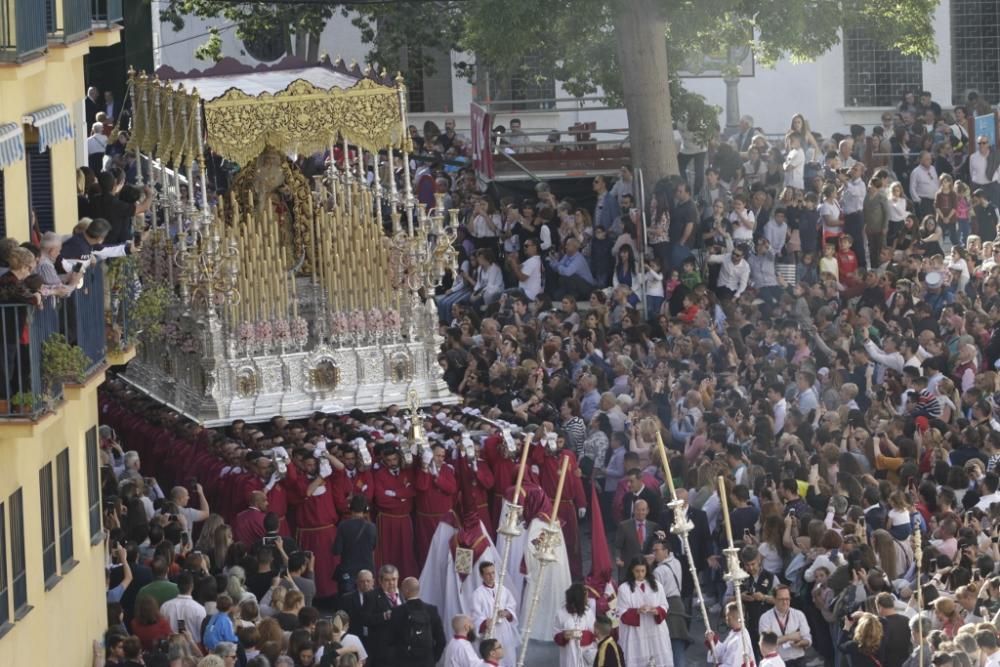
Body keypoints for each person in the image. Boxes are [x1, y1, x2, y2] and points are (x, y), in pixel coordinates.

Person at [617, 557, 672, 667]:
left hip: (655, 631)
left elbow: (664, 605)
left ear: (647, 570)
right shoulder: (623, 588)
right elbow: (621, 612)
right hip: (635, 632)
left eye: (643, 571)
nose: (640, 574)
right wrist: (637, 611)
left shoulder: (657, 586)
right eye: (637, 571)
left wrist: (656, 610)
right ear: (632, 570)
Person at [372, 447, 418, 579]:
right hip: (386, 520)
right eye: (389, 460)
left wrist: (395, 494)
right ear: (384, 461)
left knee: (406, 552)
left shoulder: (407, 472)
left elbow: (413, 492)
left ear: (399, 458)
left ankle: (407, 581)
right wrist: (403, 497)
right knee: (387, 553)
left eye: (394, 459)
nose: (392, 462)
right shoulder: (380, 475)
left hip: (404, 518)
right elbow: (381, 500)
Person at [388, 577, 446, 667]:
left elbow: (391, 640)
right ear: (418, 590)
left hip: (404, 662)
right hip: (427, 661)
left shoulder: (397, 612)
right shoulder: (431, 610)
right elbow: (441, 640)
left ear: (405, 591)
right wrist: (433, 659)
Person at [470, 562, 519, 667]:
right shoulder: (477, 594)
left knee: (509, 658)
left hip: (505, 631)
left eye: (493, 573)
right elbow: (475, 616)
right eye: (488, 574)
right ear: (481, 575)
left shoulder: (503, 589)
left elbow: (512, 605)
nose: (491, 576)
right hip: (491, 633)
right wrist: (484, 622)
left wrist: (507, 612)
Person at [758, 584, 811, 667]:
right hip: (778, 661)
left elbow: (808, 639)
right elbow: (767, 643)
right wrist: (789, 637)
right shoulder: (765, 618)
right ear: (774, 599)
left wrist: (802, 643)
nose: (785, 602)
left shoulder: (799, 615)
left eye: (787, 599)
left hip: (799, 659)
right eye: (781, 599)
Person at [554, 583, 597, 667]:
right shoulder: (561, 613)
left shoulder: (588, 612)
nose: (587, 599)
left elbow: (594, 634)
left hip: (585, 654)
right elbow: (556, 635)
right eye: (585, 597)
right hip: (568, 655)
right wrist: (563, 636)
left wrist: (580, 635)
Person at [160, 571, 208, 643]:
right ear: (192, 586)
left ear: (177, 586)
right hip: (193, 651)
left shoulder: (165, 607)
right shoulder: (200, 609)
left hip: (171, 650)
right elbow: (203, 634)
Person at [707, 603, 755, 667]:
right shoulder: (735, 632)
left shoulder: (741, 640)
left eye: (726, 615)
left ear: (730, 616)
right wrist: (713, 640)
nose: (725, 618)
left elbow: (734, 664)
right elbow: (724, 651)